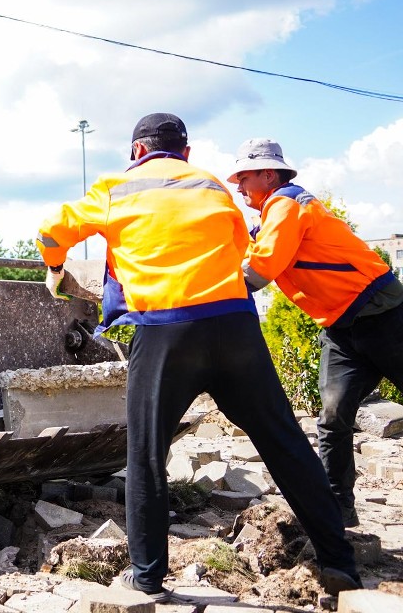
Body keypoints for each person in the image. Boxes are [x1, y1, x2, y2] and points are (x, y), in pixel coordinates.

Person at [37, 114, 360, 602]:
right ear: (185, 154)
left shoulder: (114, 188)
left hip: (164, 331)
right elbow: (235, 250)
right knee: (286, 443)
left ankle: (146, 576)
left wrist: (57, 268)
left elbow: (50, 232)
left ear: (135, 152)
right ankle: (339, 562)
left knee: (146, 456)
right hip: (234, 326)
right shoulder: (212, 186)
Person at [228, 137, 403, 528]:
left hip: (383, 315)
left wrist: (206, 297)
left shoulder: (285, 204)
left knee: (333, 418)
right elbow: (254, 256)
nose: (239, 187)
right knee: (332, 417)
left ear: (268, 174)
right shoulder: (273, 217)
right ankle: (338, 510)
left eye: (244, 177)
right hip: (342, 329)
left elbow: (258, 271)